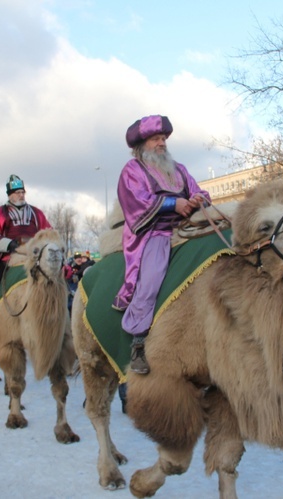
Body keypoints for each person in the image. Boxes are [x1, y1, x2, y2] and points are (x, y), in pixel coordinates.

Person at [113, 114, 209, 374]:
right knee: (153, 275)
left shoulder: (179, 169)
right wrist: (173, 203)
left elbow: (199, 190)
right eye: (156, 139)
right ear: (142, 144)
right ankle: (138, 341)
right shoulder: (132, 170)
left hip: (185, 227)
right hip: (152, 233)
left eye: (164, 138)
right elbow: (137, 203)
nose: (162, 143)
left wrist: (198, 199)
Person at [0, 175, 51, 347]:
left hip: (34, 257)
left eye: (23, 192)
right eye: (17, 193)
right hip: (8, 257)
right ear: (9, 195)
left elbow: (47, 231)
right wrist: (8, 244)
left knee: (55, 280)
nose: (21, 196)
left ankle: (60, 326)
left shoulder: (36, 213)